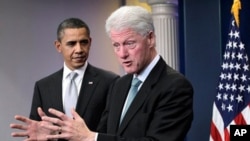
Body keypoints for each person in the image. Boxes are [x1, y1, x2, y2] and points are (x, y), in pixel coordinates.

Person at [24, 6, 194, 141]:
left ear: (150, 39)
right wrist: (52, 137)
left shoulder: (175, 86)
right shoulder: (120, 84)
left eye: (129, 43)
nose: (122, 53)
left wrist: (93, 138)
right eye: (116, 45)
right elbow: (103, 134)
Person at [10, 17, 119, 140]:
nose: (79, 49)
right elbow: (37, 130)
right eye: (71, 43)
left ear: (90, 42)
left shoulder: (110, 82)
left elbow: (112, 131)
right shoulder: (43, 86)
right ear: (58, 46)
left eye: (83, 42)